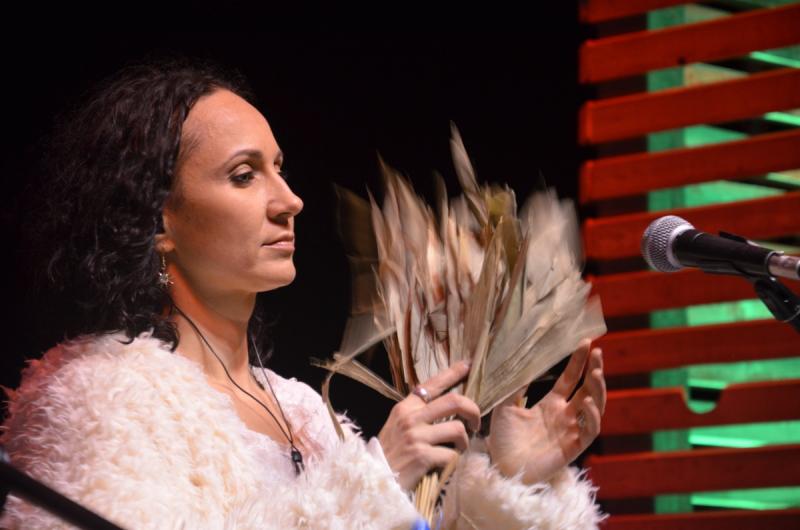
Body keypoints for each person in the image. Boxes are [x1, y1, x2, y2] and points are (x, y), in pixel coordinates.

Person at [1, 58, 608, 529]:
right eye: (244, 175)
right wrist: (376, 477)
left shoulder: (304, 412)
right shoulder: (95, 398)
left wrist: (511, 480)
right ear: (158, 221)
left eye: (280, 168)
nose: (289, 200)